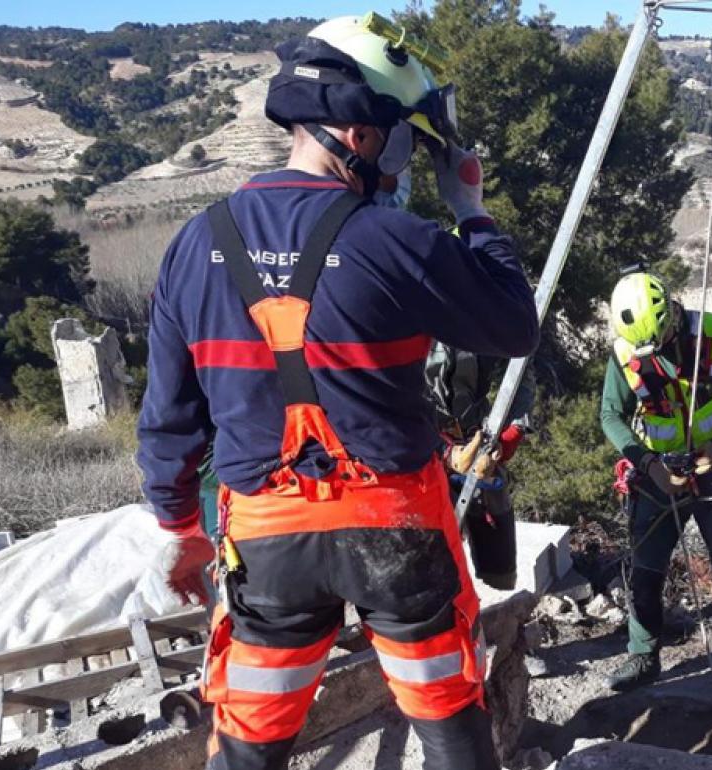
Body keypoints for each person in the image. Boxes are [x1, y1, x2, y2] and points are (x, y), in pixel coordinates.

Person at [137, 15, 538, 770]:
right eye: (402, 136)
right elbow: (515, 325)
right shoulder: (399, 239)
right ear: (358, 134)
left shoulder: (195, 243)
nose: (407, 157)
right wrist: (472, 213)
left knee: (250, 743)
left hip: (266, 540)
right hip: (398, 528)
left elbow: (169, 418)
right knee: (450, 722)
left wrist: (181, 528)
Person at [600, 271, 712, 708]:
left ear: (673, 317)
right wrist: (648, 464)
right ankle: (643, 657)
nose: (653, 355)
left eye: (659, 344)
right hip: (660, 476)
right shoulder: (626, 351)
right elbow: (611, 416)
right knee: (646, 569)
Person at [426, 339, 536, 590]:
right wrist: (442, 450)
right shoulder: (401, 314)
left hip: (477, 444)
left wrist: (513, 431)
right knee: (432, 577)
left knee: (500, 569)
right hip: (421, 450)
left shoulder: (478, 306)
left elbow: (521, 361)